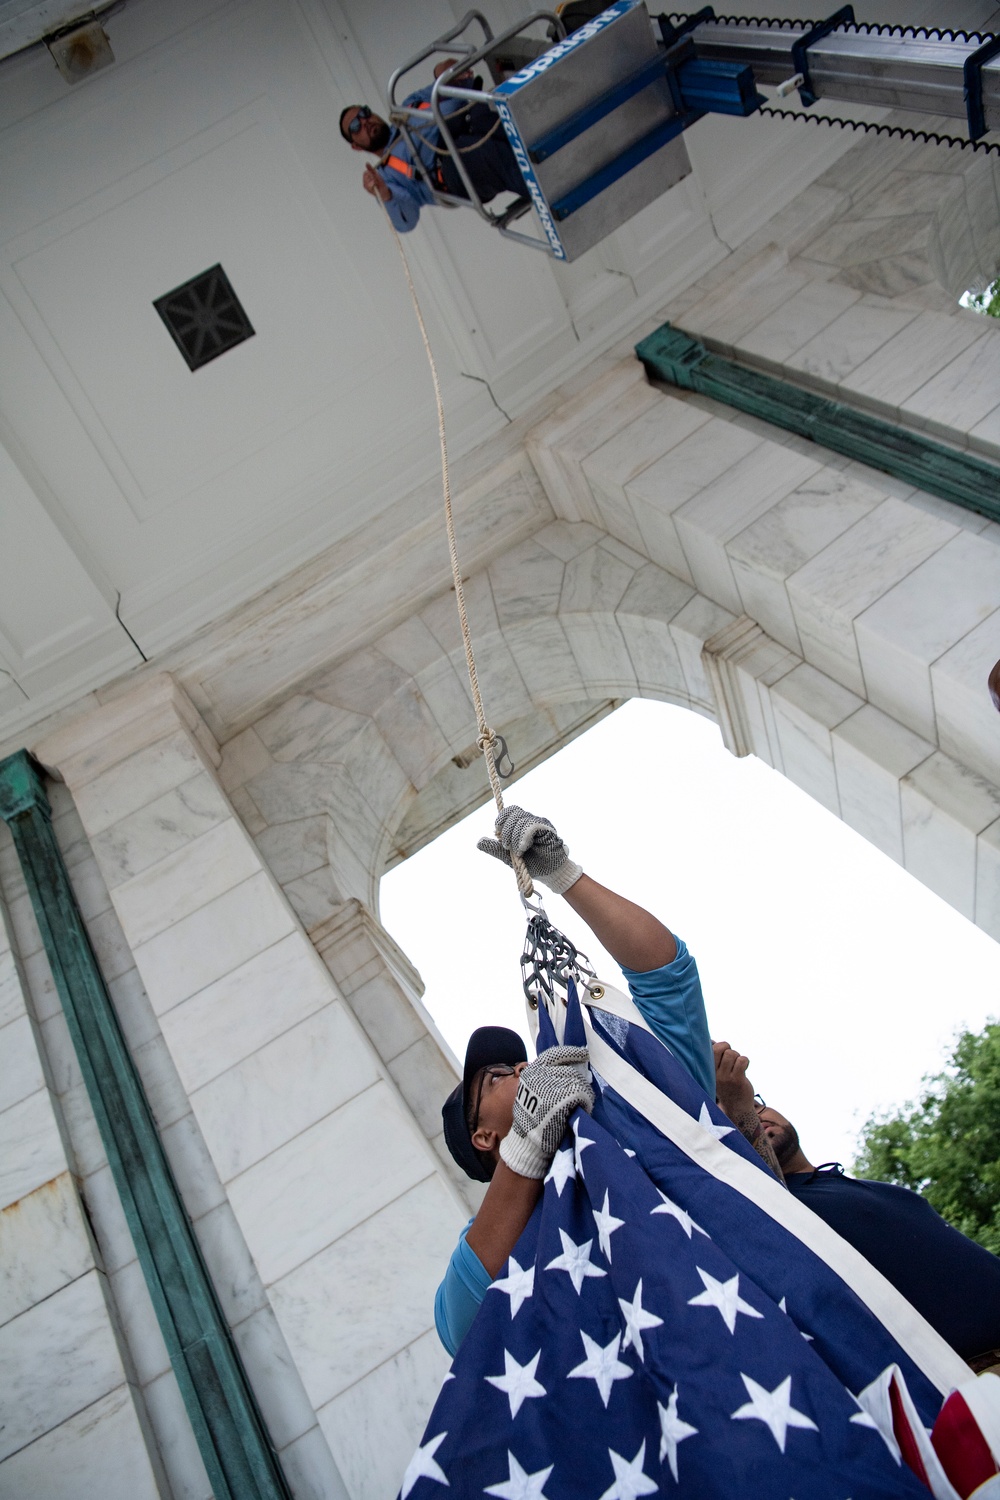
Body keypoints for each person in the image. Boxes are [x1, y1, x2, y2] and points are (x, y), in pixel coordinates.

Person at [436, 805, 715, 1356]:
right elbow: (462, 1326)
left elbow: (668, 977)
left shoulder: (639, 1109)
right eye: (497, 1077)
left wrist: (565, 878)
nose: (523, 1067)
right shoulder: (488, 1254)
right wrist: (530, 1143)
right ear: (484, 1138)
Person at [713, 1049, 1000, 1368]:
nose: (757, 1115)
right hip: (976, 1378)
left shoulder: (871, 1189)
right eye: (738, 1118)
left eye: (757, 1105)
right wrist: (737, 1105)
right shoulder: (781, 1206)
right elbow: (776, 1222)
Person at [340, 64, 526, 234]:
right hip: (451, 166)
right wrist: (385, 194)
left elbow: (452, 85)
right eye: (355, 127)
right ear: (356, 146)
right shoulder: (385, 177)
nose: (364, 122)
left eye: (364, 113)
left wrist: (443, 72)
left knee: (487, 112)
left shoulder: (408, 106)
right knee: (487, 157)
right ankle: (539, 175)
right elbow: (406, 221)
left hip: (469, 118)